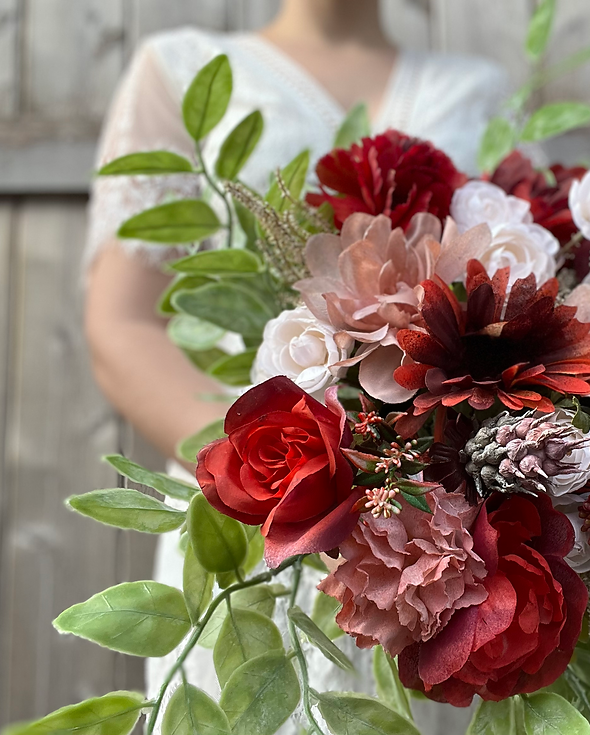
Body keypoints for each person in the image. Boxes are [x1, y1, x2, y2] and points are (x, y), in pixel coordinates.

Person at [83, 1, 508, 731]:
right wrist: (277, 481)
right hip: (253, 521)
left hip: (436, 542)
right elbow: (121, 323)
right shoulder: (180, 69)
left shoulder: (484, 90)